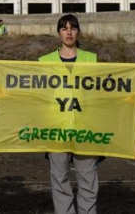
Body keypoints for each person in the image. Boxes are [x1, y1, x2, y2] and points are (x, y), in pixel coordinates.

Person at [39, 14, 99, 214]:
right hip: (56, 128)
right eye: (64, 28)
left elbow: (107, 91)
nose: (69, 32)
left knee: (88, 179)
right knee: (59, 178)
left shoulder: (91, 59)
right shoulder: (45, 61)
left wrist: (131, 97)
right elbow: (33, 94)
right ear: (58, 33)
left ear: (78, 32)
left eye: (73, 28)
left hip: (85, 127)